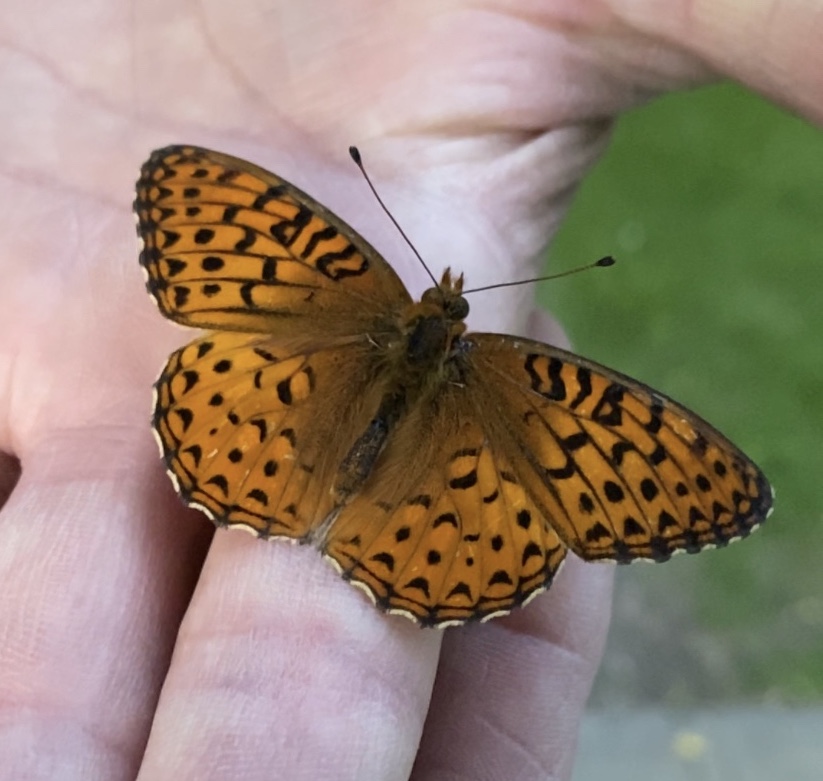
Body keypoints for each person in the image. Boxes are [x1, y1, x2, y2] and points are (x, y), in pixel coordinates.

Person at [0, 2, 818, 779]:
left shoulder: (354, 282)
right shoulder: (542, 386)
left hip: (274, 404)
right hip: (445, 510)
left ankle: (271, 483)